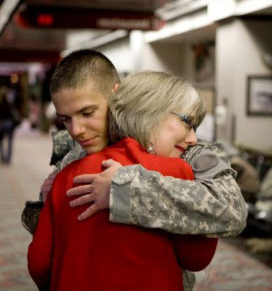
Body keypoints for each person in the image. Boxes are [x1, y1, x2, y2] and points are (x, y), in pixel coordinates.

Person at [22, 49, 247, 289]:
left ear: (115, 94)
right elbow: (49, 248)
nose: (76, 130)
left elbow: (233, 211)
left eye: (87, 113)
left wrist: (127, 189)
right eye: (65, 119)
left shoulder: (187, 151)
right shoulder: (73, 156)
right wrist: (44, 205)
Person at [0, 86, 21, 164]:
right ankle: (8, 158)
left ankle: (2, 157)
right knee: (10, 142)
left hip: (2, 124)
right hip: (9, 124)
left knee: (1, 142)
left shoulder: (2, 103)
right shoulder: (10, 103)